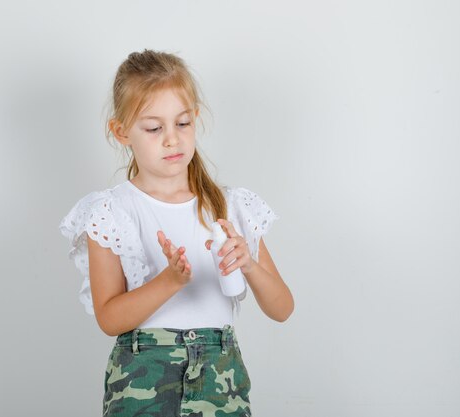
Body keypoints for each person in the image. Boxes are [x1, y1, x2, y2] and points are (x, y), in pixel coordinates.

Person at [59, 49, 294, 417]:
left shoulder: (230, 207)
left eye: (182, 124)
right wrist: (169, 281)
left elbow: (282, 308)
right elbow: (109, 318)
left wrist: (248, 264)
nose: (172, 139)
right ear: (121, 131)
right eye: (154, 128)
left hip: (220, 375)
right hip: (143, 376)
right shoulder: (112, 212)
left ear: (196, 119)